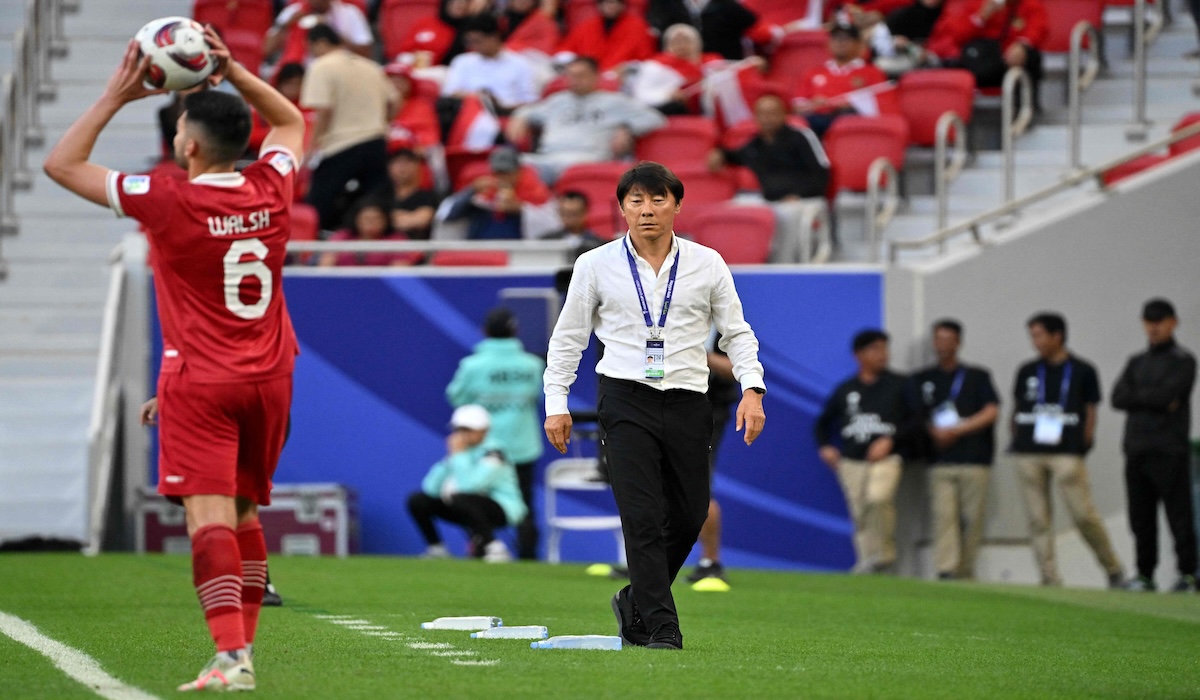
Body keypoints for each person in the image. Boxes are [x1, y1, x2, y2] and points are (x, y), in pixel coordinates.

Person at [44, 29, 305, 691]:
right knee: (245, 512)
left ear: (188, 144)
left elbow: (62, 165)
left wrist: (116, 94)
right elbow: (291, 120)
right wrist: (237, 71)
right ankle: (241, 655)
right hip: (270, 377)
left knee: (209, 518)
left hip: (200, 379)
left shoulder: (167, 196)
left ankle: (228, 657)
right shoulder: (271, 188)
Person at [543, 162, 767, 650]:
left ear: (677, 205)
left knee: (689, 514)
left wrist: (753, 389)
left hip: (689, 397)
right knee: (641, 515)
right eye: (636, 201)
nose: (647, 210)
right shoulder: (595, 264)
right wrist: (556, 401)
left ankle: (635, 599)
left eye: (658, 199)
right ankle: (663, 626)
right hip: (624, 397)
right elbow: (568, 340)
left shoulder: (708, 262)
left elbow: (737, 332)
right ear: (622, 209)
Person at [1011, 312, 1124, 588]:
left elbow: (1090, 410)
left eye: (1038, 335)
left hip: (1067, 451)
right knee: (1038, 519)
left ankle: (1113, 568)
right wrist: (1016, 436)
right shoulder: (1027, 371)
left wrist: (1083, 443)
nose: (1034, 342)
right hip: (1029, 451)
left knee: (1083, 514)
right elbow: (1017, 408)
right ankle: (1048, 577)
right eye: (1032, 336)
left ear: (1057, 336)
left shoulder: (1083, 370)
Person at [140, 397, 285, 607]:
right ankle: (242, 586)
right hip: (215, 405)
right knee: (216, 498)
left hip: (254, 403)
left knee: (241, 499)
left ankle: (251, 585)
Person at [1111, 299, 1198, 592]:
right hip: (1136, 448)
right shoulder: (1136, 362)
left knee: (1179, 515)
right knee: (1141, 518)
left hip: (1169, 448)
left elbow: (1167, 396)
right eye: (1149, 321)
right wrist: (1156, 399)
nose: (1154, 327)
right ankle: (1145, 574)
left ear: (1173, 322)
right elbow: (1118, 398)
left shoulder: (1183, 360)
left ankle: (1188, 574)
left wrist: (1144, 397)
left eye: (1159, 321)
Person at [446, 308, 547, 560]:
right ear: (516, 331)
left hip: (483, 445)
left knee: (474, 498)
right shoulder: (533, 365)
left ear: (485, 332)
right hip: (522, 444)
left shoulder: (472, 366)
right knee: (523, 504)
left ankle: (482, 549)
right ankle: (528, 558)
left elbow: (456, 398)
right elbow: (540, 395)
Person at [815, 330, 918, 574]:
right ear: (858, 355)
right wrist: (825, 447)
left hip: (888, 458)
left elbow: (917, 420)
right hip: (852, 459)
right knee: (859, 510)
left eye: (884, 348)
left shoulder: (900, 384)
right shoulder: (846, 389)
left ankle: (883, 556)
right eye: (875, 349)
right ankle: (867, 561)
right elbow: (822, 424)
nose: (882, 354)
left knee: (878, 498)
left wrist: (891, 440)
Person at [912, 319, 999, 580]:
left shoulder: (977, 376)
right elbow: (914, 415)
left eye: (948, 339)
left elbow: (991, 411)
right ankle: (947, 570)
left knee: (972, 518)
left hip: (974, 458)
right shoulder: (922, 378)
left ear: (959, 342)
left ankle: (966, 569)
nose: (943, 345)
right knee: (943, 517)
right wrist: (933, 431)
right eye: (938, 339)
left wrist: (958, 430)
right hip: (939, 460)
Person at [506, 57, 665, 185]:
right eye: (571, 75)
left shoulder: (615, 102)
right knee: (505, 162)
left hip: (587, 159)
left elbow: (656, 118)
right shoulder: (557, 101)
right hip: (548, 158)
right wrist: (520, 117)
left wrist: (627, 128)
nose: (574, 80)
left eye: (580, 75)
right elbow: (528, 111)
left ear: (596, 76)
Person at [301, 24, 398, 230]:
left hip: (341, 144)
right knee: (374, 202)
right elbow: (394, 101)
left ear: (319, 43)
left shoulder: (321, 66)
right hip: (375, 141)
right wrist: (382, 122)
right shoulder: (371, 66)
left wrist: (311, 148)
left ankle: (317, 248)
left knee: (319, 204)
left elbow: (324, 111)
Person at [407, 405, 528, 563]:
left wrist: (458, 455)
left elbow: (470, 486)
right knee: (418, 500)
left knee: (461, 498)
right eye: (459, 429)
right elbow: (430, 489)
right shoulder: (460, 451)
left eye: (468, 429)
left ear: (484, 430)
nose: (463, 435)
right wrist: (450, 457)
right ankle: (437, 549)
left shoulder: (495, 452)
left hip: (502, 510)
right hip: (465, 506)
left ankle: (494, 547)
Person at [686, 334, 742, 584]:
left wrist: (698, 355)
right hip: (664, 407)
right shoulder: (668, 314)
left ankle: (710, 561)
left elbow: (736, 369)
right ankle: (642, 565)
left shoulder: (723, 325)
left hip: (707, 412)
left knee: (699, 488)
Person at [926, 0, 1046, 98]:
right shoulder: (974, 3)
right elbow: (958, 36)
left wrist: (1022, 44)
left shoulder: (1027, 4)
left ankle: (1024, 114)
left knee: (1032, 57)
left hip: (1009, 59)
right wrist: (982, 16)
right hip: (981, 60)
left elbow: (1039, 27)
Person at [793, 20, 891, 139]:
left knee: (847, 117)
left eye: (846, 38)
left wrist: (852, 103)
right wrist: (813, 104)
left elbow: (883, 107)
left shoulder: (872, 72)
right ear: (828, 43)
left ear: (859, 44)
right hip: (817, 120)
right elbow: (797, 106)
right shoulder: (814, 72)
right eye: (835, 38)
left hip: (852, 123)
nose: (840, 42)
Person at [437, 146, 558, 239]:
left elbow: (553, 226)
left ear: (519, 171)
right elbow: (446, 214)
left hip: (519, 256)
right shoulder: (482, 194)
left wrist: (520, 209)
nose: (502, 177)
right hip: (479, 253)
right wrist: (471, 191)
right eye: (498, 172)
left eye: (507, 172)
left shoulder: (535, 191)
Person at [441, 14, 539, 114]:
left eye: (477, 41)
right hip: (468, 113)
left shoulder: (520, 64)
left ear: (494, 37)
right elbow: (449, 93)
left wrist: (500, 105)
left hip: (506, 114)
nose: (473, 46)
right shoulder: (462, 61)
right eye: (469, 41)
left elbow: (530, 102)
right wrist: (479, 97)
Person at [646, 0, 781, 61]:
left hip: (720, 67)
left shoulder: (727, 6)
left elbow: (759, 30)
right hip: (680, 69)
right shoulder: (665, 4)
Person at [264, 0, 373, 67]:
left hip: (337, 72)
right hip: (298, 76)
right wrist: (287, 25)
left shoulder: (350, 13)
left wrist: (331, 31)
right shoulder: (293, 12)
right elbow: (267, 49)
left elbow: (366, 52)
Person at [555, 0, 657, 71]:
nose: (611, 6)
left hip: (623, 79)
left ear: (622, 5)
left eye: (615, 2)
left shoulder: (638, 27)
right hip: (588, 75)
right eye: (607, 2)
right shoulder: (587, 26)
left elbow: (645, 59)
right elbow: (565, 50)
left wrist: (626, 69)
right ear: (599, 5)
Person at [319, 198, 423, 267]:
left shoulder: (397, 239)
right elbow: (325, 267)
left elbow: (400, 270)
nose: (371, 223)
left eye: (376, 219)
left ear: (386, 220)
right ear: (356, 219)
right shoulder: (343, 236)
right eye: (366, 219)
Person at [382, 147, 439, 241]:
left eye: (408, 162)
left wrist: (387, 218)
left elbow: (421, 221)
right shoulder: (381, 195)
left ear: (417, 166)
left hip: (417, 249)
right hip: (384, 250)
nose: (402, 167)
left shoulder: (427, 196)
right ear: (389, 167)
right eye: (397, 162)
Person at [540, 191, 605, 261]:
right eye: (565, 213)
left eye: (574, 214)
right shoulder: (546, 242)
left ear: (585, 213)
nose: (569, 218)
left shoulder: (599, 245)